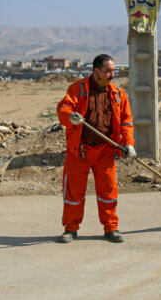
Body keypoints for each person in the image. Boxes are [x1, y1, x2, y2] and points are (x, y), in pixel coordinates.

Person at [56, 54, 135, 244]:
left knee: (108, 191)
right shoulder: (78, 88)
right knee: (74, 192)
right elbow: (63, 108)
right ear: (96, 71)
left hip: (105, 150)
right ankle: (70, 228)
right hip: (80, 151)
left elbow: (126, 122)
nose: (112, 75)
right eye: (108, 71)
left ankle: (111, 228)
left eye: (113, 71)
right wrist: (70, 116)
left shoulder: (118, 94)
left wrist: (129, 143)